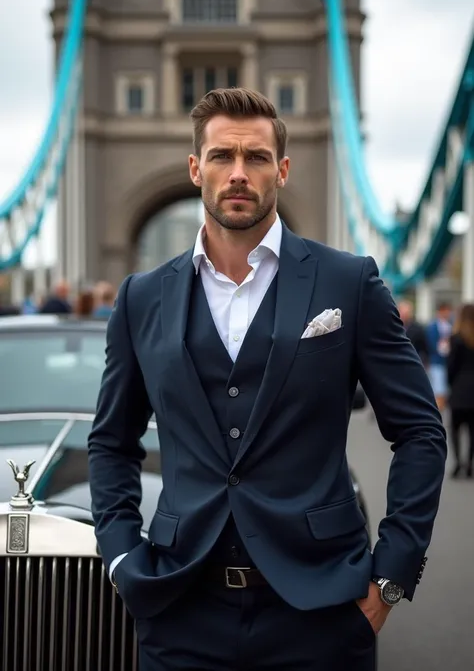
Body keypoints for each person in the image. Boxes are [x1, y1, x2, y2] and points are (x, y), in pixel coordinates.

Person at [88, 88, 447, 671]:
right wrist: (122, 557)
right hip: (179, 609)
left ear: (281, 169)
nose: (237, 173)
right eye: (222, 156)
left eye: (255, 158)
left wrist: (390, 578)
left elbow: (420, 434)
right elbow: (110, 441)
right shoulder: (141, 298)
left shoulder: (348, 283)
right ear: (194, 167)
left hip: (323, 612)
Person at [447, 303, 474, 478]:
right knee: (473, 431)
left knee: (455, 429)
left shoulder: (456, 338)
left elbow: (451, 366)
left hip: (459, 388)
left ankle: (458, 463)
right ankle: (470, 464)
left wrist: (451, 385)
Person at [426, 301, 453, 412]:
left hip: (448, 361)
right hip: (437, 361)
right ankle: (437, 412)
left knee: (445, 391)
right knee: (439, 389)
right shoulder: (432, 327)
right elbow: (431, 344)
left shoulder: (451, 325)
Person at [397, 299, 429, 367]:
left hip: (412, 363)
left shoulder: (418, 329)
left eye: (406, 313)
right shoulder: (393, 327)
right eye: (402, 312)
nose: (404, 315)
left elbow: (423, 348)